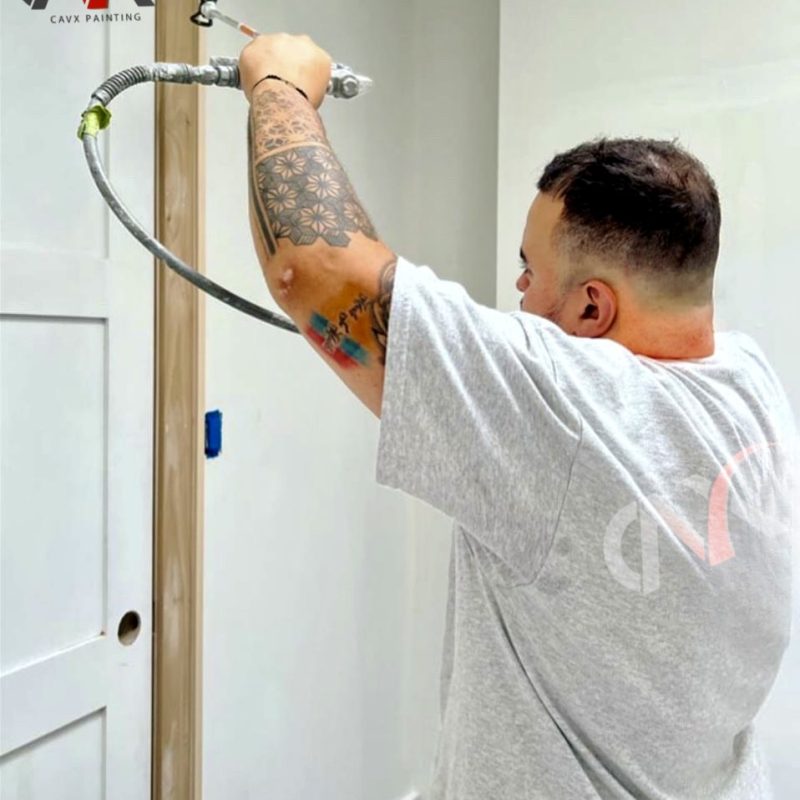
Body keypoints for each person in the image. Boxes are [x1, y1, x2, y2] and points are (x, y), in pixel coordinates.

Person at [239, 34, 797, 800]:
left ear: (593, 306)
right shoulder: (746, 378)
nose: (520, 288)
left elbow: (314, 269)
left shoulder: (571, 416)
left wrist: (278, 82)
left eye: (532, 271)